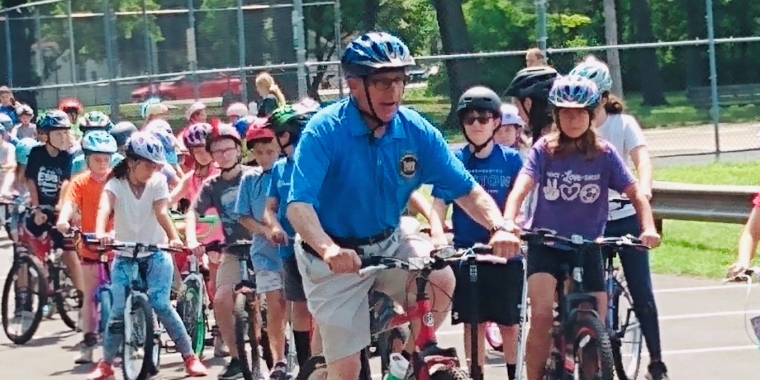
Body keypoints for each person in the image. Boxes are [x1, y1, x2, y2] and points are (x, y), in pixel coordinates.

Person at [286, 31, 517, 380]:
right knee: (346, 372)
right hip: (333, 260)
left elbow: (466, 190)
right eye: (381, 81)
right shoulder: (324, 131)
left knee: (440, 280)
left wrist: (498, 226)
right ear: (353, 84)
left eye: (399, 80)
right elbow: (298, 205)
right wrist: (329, 249)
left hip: (388, 242)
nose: (392, 91)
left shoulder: (415, 130)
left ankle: (402, 366)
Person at [498, 75, 661, 380]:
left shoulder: (604, 153)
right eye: (566, 112)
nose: (573, 119)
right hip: (545, 244)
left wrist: (648, 228)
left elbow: (635, 193)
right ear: (556, 115)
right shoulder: (544, 149)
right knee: (543, 315)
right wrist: (508, 222)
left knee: (596, 321)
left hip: (588, 246)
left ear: (591, 115)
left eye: (580, 112)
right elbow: (521, 187)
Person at [570, 55, 669, 380]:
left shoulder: (622, 124)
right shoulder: (573, 128)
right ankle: (595, 357)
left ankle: (656, 362)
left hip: (625, 216)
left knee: (642, 293)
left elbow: (643, 160)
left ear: (602, 96)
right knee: (586, 293)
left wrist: (644, 189)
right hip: (589, 221)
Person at [87, 131, 208, 380]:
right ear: (132, 162)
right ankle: (106, 363)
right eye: (148, 165)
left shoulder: (157, 182)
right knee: (119, 309)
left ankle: (189, 357)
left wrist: (173, 237)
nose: (152, 170)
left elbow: (162, 211)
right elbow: (104, 208)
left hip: (155, 251)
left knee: (160, 302)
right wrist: (101, 234)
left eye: (156, 166)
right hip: (123, 251)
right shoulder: (115, 183)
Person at [430, 86, 524, 380]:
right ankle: (475, 374)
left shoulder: (511, 160)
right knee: (473, 323)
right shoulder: (454, 160)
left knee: (510, 322)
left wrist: (514, 229)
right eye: (469, 119)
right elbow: (438, 205)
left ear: (496, 121)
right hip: (466, 253)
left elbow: (519, 202)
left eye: (483, 118)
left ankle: (514, 373)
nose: (477, 124)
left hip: (504, 254)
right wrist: (436, 236)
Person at [183, 124, 253, 380]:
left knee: (280, 298)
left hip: (263, 247)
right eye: (218, 151)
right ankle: (236, 357)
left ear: (238, 150)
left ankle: (281, 349)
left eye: (228, 149)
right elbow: (193, 211)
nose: (224, 155)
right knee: (221, 299)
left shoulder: (253, 175)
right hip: (234, 250)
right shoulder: (212, 185)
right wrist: (192, 239)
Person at [261, 106, 319, 370]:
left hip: (318, 247)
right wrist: (274, 227)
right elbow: (269, 209)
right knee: (299, 305)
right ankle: (306, 364)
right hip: (290, 250)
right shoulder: (279, 169)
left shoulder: (316, 163)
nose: (275, 141)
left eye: (279, 134)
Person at [55, 130, 119, 364]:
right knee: (90, 296)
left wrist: (115, 232)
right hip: (90, 244)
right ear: (87, 159)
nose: (102, 164)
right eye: (96, 159)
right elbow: (70, 203)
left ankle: (133, 339)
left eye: (105, 159)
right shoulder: (80, 182)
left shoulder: (117, 180)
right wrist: (63, 220)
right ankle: (88, 340)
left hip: (116, 244)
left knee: (126, 291)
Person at [169, 121, 229, 358]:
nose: (201, 154)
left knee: (216, 290)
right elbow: (170, 200)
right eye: (196, 150)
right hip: (197, 240)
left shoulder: (220, 174)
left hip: (220, 240)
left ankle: (222, 335)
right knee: (190, 278)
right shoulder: (191, 178)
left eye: (205, 148)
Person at [234, 122, 288, 379]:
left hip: (293, 251)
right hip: (264, 253)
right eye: (260, 152)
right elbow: (243, 216)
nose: (265, 157)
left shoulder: (288, 173)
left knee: (298, 305)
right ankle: (279, 360)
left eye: (270, 151)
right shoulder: (250, 179)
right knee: (275, 304)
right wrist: (265, 231)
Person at [25, 110, 83, 301]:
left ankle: (83, 296)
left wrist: (61, 205)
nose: (63, 136)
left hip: (59, 208)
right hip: (40, 207)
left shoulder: (68, 156)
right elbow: (31, 181)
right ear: (44, 135)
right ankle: (35, 288)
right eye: (58, 133)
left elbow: (67, 182)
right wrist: (36, 208)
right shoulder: (36, 153)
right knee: (32, 247)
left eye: (66, 132)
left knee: (69, 252)